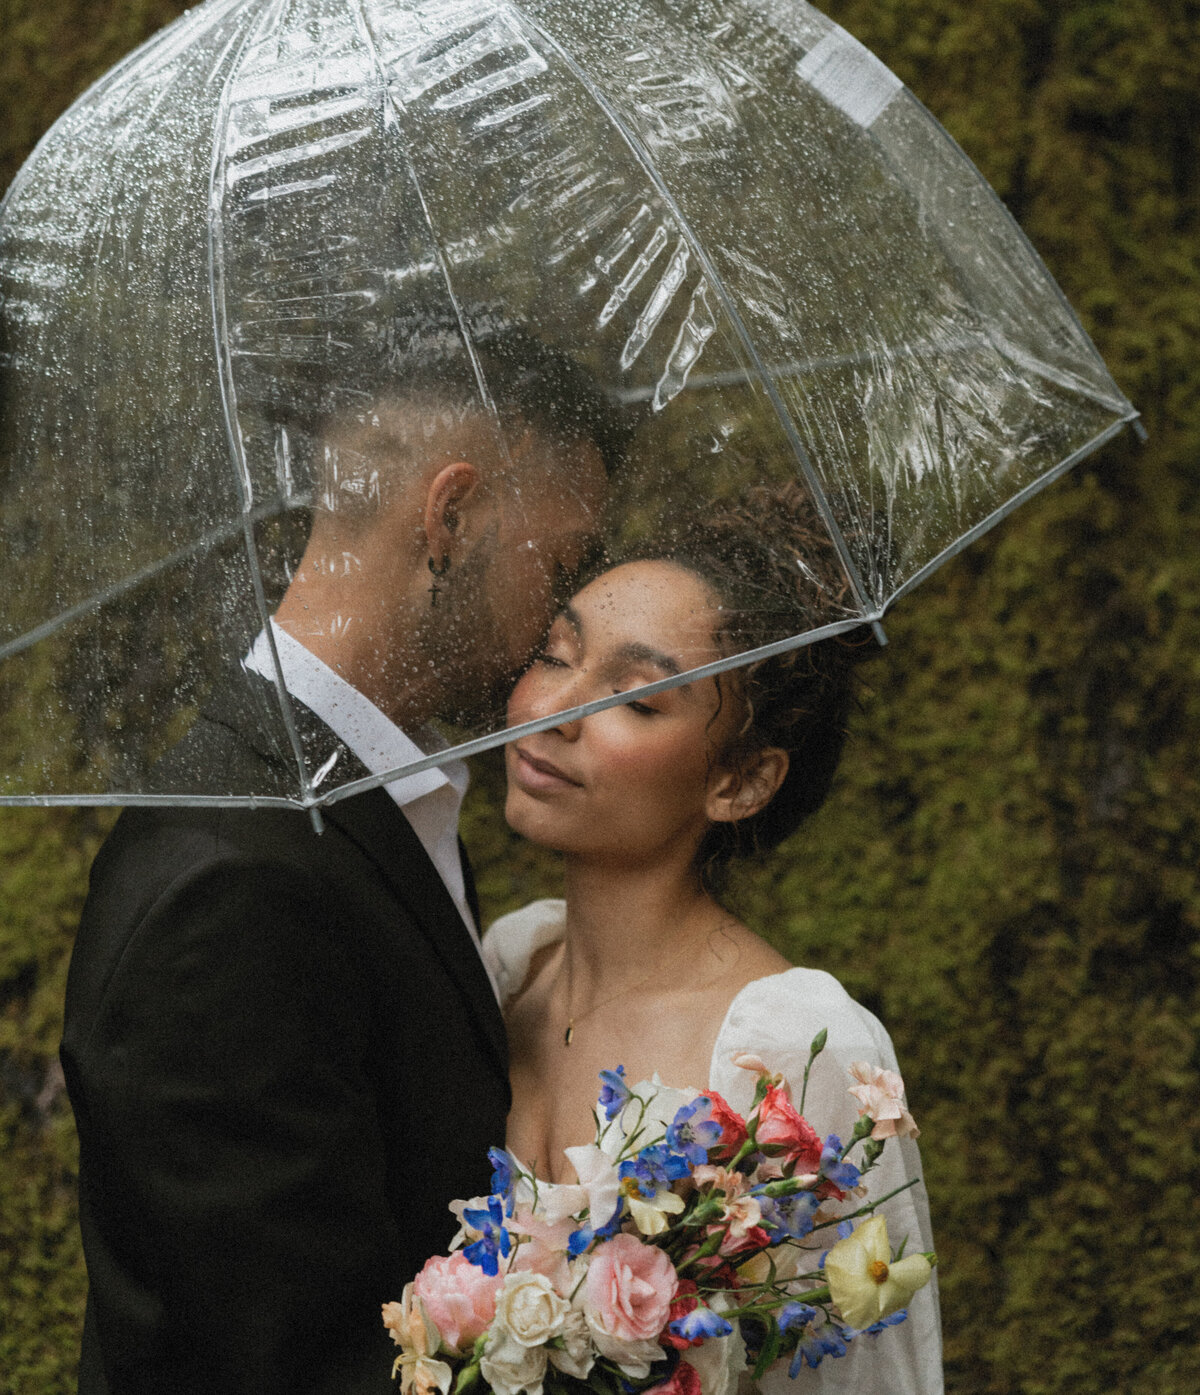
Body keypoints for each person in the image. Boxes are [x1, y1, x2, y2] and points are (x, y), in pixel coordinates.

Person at [59, 315, 621, 1395]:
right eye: (564, 563)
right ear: (450, 516)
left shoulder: (371, 803)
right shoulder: (228, 879)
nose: (562, 617)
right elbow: (297, 1361)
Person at [484, 483, 943, 1394]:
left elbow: (870, 1373)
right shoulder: (502, 968)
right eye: (554, 653)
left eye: (637, 699)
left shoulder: (793, 1051)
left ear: (739, 781)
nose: (555, 708)